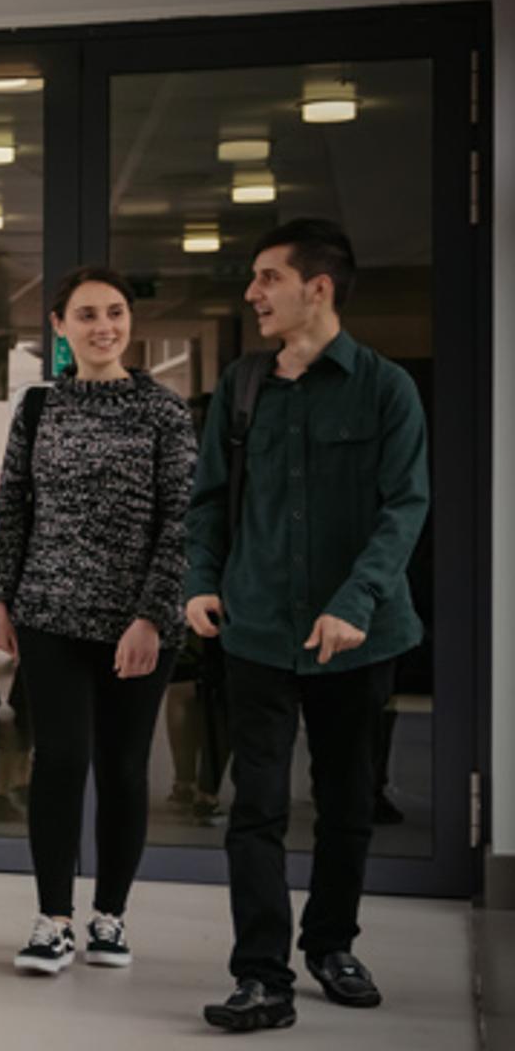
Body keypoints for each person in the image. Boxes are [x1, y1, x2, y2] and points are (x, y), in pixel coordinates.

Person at [187, 220, 429, 1033]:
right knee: (254, 805)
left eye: (267, 278)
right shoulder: (243, 386)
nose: (253, 294)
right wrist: (199, 583)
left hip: (360, 637)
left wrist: (353, 603)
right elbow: (210, 501)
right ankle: (261, 975)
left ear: (316, 287)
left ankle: (331, 944)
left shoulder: (386, 389)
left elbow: (404, 509)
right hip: (256, 628)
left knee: (347, 801)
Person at [0, 266, 195, 975]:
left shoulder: (165, 412)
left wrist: (151, 616)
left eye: (114, 313)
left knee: (123, 766)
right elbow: (11, 506)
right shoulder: (39, 408)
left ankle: (111, 917)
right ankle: (52, 920)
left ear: (129, 322)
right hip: (48, 612)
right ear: (59, 326)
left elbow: (179, 524)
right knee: (60, 760)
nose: (103, 326)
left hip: (136, 621)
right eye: (86, 315)